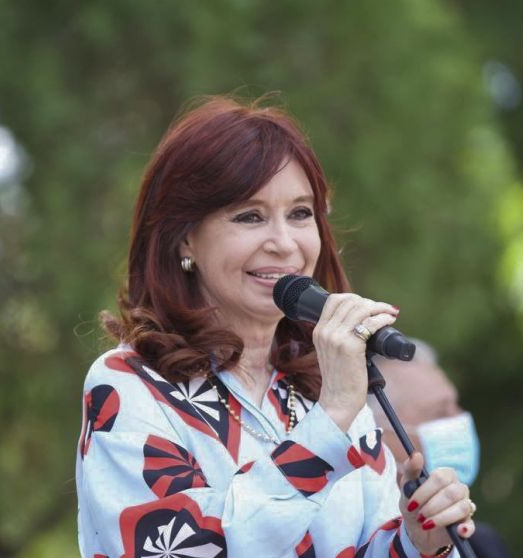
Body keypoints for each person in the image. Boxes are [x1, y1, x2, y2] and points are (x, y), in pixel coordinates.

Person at [76, 96, 477, 558]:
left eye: (301, 213)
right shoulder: (128, 387)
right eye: (250, 216)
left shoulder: (321, 389)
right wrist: (328, 425)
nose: (285, 244)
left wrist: (416, 542)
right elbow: (190, 548)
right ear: (184, 236)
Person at [371, 340, 511, 558]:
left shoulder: (484, 545)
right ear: (378, 433)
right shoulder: (344, 539)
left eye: (456, 405)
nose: (460, 420)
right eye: (440, 413)